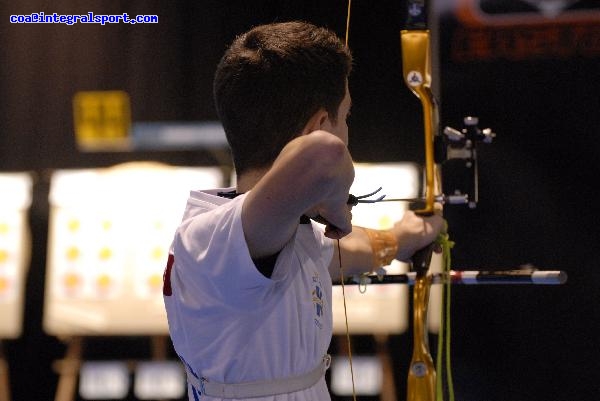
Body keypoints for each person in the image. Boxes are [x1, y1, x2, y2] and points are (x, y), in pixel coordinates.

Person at [163, 21, 444, 400]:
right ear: (319, 127)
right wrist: (337, 208)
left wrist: (403, 238)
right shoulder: (214, 239)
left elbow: (346, 252)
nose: (345, 132)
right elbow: (323, 155)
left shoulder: (279, 233)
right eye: (343, 117)